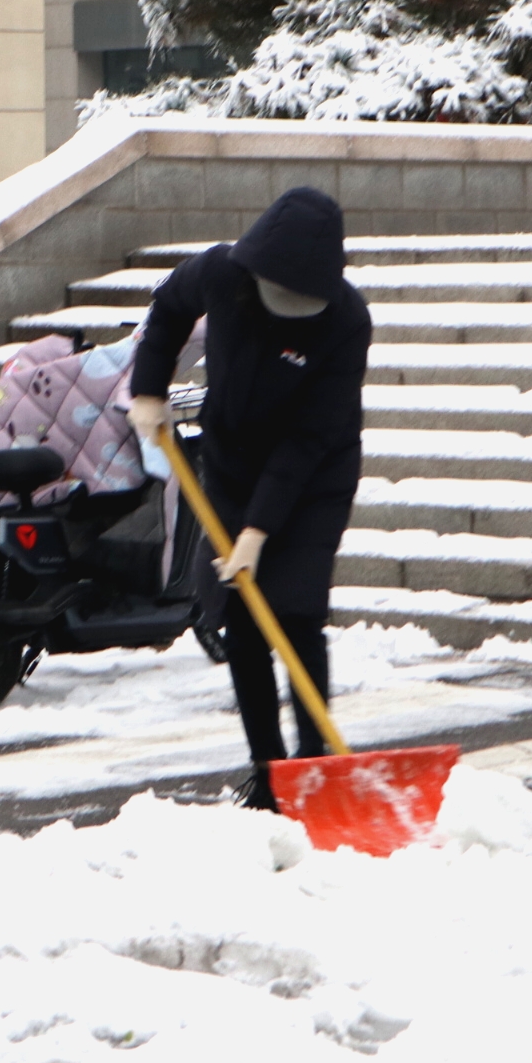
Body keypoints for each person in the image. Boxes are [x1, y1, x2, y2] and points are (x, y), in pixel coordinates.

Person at [129, 187, 371, 810]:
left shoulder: (346, 321)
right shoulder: (221, 273)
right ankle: (268, 775)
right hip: (233, 463)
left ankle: (316, 770)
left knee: (295, 613)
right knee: (240, 621)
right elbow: (167, 310)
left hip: (313, 475)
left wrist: (258, 533)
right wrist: (149, 390)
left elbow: (309, 437)